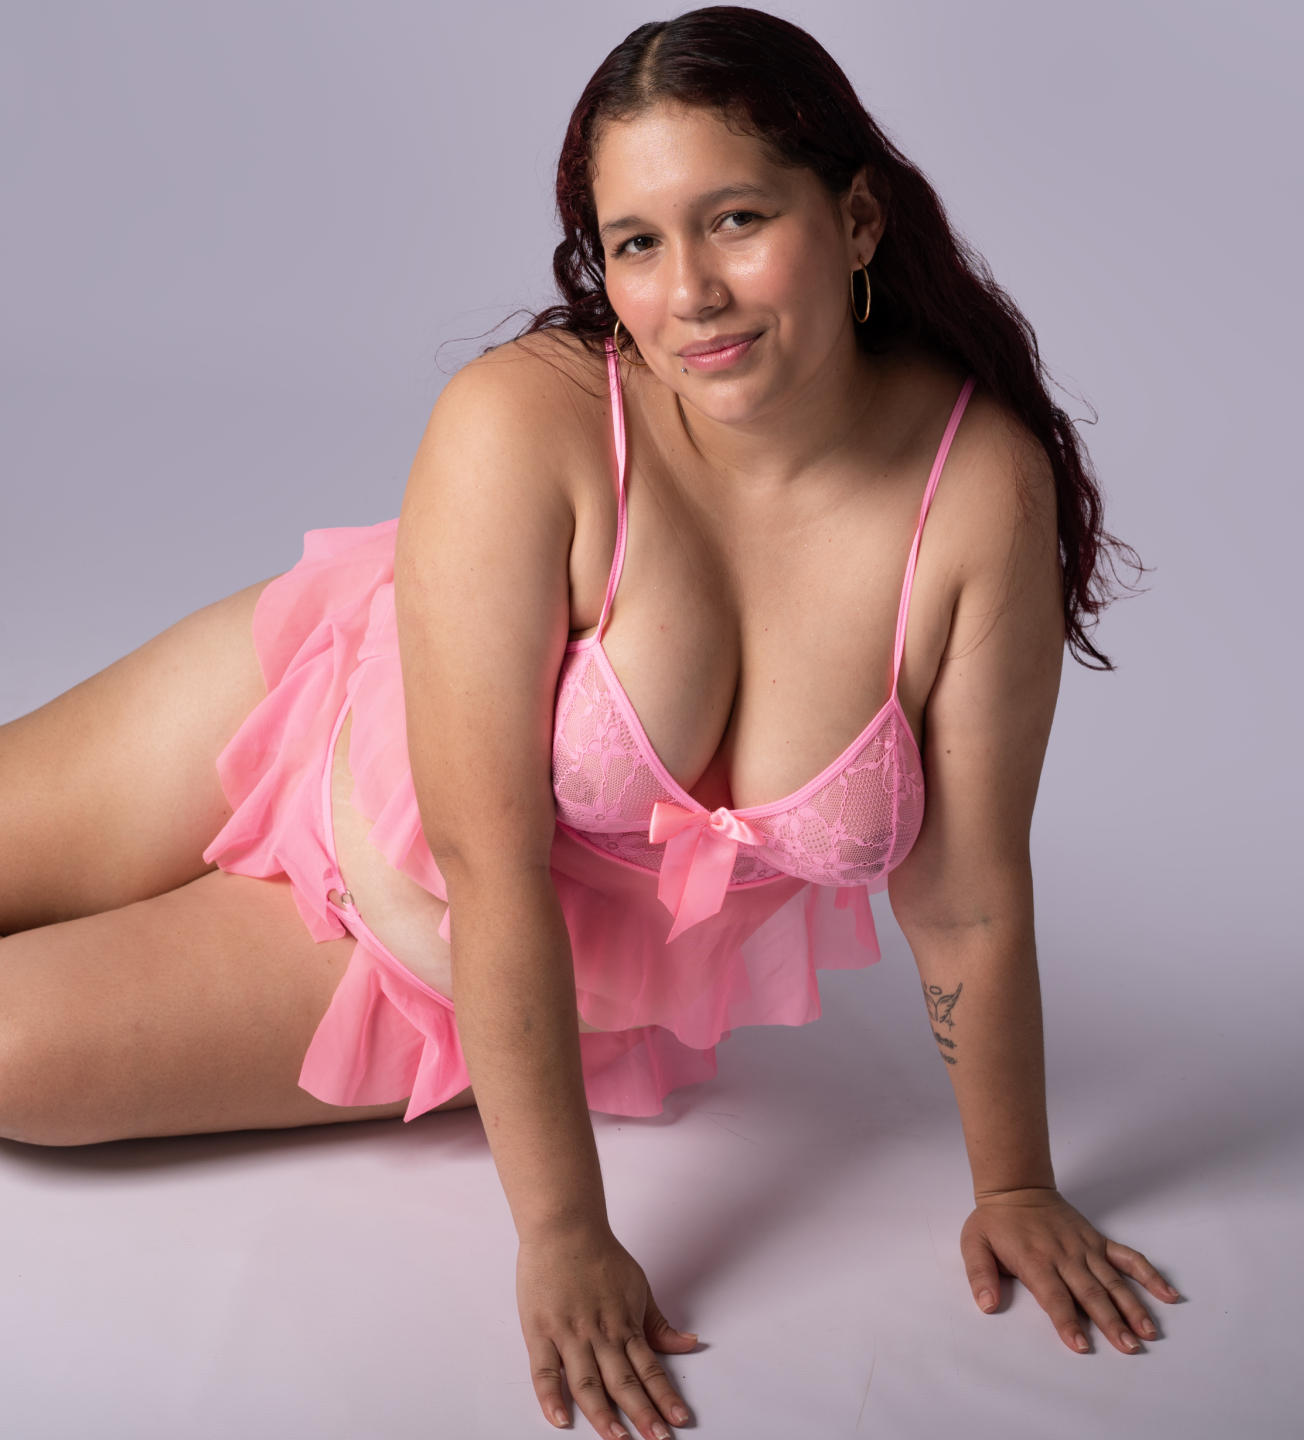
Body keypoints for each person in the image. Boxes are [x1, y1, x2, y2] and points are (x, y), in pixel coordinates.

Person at [0, 5, 1172, 1436]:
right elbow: (491, 857)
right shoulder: (530, 419)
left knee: (13, 1061)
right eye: (637, 243)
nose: (693, 294)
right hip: (314, 727)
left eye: (738, 219)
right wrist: (563, 1233)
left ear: (857, 218)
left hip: (428, 958)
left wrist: (1016, 1184)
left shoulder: (976, 493)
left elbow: (969, 900)